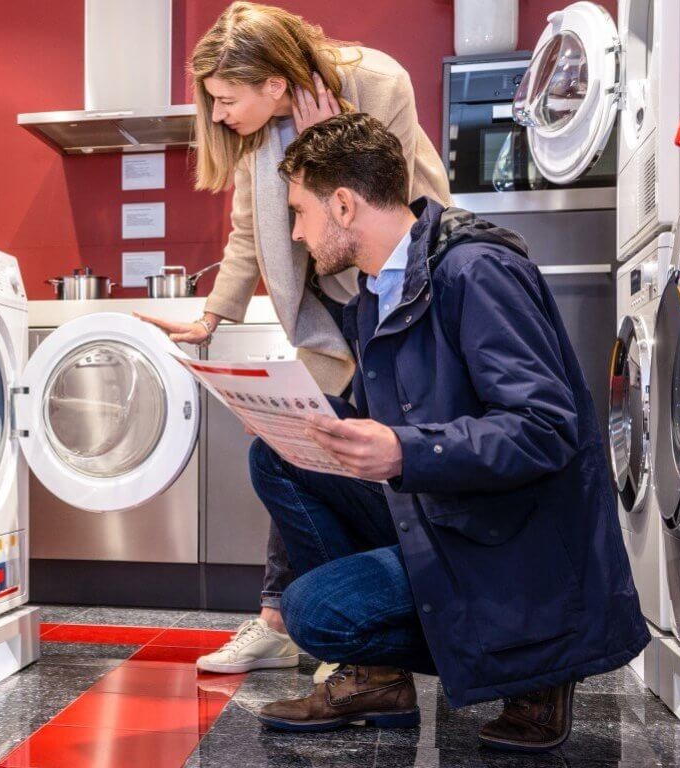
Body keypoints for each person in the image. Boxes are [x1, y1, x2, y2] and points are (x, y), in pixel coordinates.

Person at [249, 111, 649, 752]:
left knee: (313, 611)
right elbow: (397, 421)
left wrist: (405, 450)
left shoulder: (475, 272)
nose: (296, 233)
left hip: (513, 543)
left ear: (344, 205)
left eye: (300, 212)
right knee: (277, 454)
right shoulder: (376, 295)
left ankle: (540, 661)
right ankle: (376, 677)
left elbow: (543, 429)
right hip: (447, 506)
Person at [135, 1, 451, 679]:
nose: (218, 115)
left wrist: (330, 140)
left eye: (225, 99)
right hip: (334, 307)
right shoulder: (259, 136)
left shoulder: (379, 82)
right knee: (298, 447)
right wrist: (212, 316)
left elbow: (379, 206)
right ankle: (298, 623)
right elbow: (249, 235)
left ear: (274, 85)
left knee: (366, 455)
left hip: (405, 294)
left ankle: (351, 633)